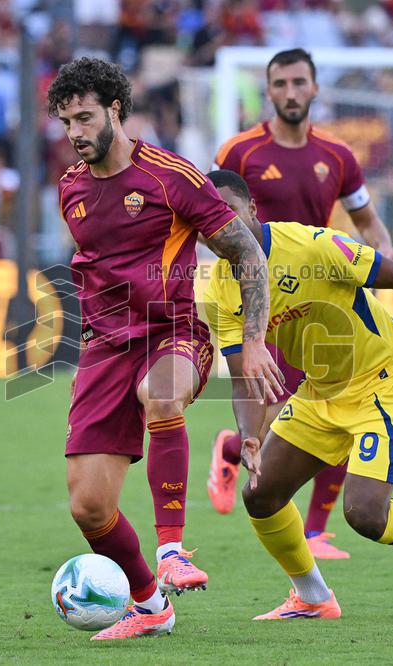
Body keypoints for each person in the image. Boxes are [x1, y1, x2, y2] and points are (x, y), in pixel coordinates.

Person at [202, 169, 393, 620]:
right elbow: (244, 378)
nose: (221, 228)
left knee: (365, 514)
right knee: (260, 494)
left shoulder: (312, 247)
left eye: (228, 212)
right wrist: (250, 435)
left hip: (390, 379)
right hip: (323, 392)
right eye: (209, 221)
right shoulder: (220, 291)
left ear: (252, 209)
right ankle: (312, 596)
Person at [47, 57, 281, 640]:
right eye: (65, 122)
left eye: (84, 117)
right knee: (89, 508)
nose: (75, 133)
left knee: (162, 394)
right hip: (104, 346)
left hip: (173, 330)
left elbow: (247, 253)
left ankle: (172, 548)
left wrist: (252, 339)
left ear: (116, 110)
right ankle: (152, 608)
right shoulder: (70, 187)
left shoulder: (170, 175)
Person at [210, 48, 393, 559]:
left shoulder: (337, 155)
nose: (291, 93)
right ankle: (235, 446)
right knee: (286, 410)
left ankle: (314, 530)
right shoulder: (238, 152)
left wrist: (387, 253)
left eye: (299, 82)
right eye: (281, 84)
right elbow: (205, 212)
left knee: (335, 402)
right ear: (268, 91)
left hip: (324, 294)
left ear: (315, 88)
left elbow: (366, 221)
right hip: (261, 301)